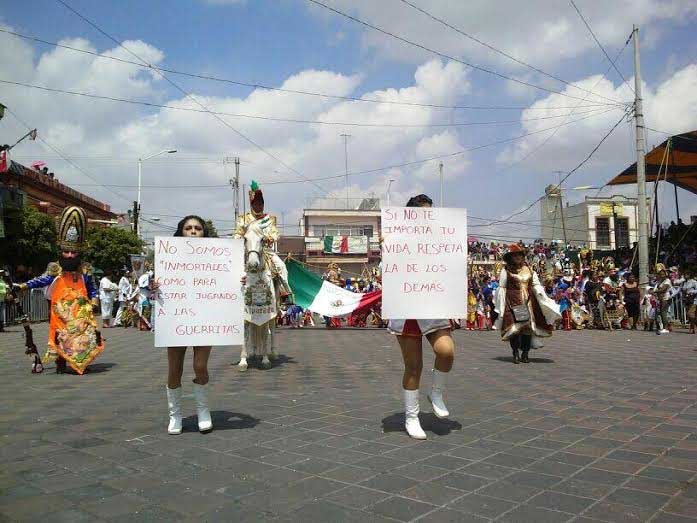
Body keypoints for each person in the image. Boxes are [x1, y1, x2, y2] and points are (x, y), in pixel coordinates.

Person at [386, 194, 455, 440]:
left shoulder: (443, 238)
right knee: (413, 366)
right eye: (422, 213)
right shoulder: (395, 239)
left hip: (432, 302)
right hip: (406, 307)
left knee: (446, 351)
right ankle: (412, 417)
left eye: (430, 213)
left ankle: (436, 393)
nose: (428, 217)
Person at [15, 206, 104, 374]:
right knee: (60, 336)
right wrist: (23, 286)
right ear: (61, 251)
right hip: (60, 313)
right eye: (66, 251)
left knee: (83, 338)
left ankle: (81, 362)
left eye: (73, 252)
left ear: (79, 252)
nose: (70, 255)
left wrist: (94, 303)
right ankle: (61, 362)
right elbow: (41, 280)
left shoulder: (86, 269)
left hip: (81, 313)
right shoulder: (55, 268)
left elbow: (93, 289)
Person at [164, 215, 215, 435]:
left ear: (204, 233)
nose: (193, 231)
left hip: (205, 320)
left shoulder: (217, 260)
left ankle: (203, 412)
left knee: (200, 366)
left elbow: (225, 287)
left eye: (198, 228)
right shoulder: (168, 259)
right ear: (181, 232)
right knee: (175, 369)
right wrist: (156, 285)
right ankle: (175, 416)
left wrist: (236, 282)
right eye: (188, 228)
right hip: (177, 320)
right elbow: (158, 289)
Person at [494, 244, 560, 364]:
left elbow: (535, 285)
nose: (518, 257)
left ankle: (525, 353)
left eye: (520, 255)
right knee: (515, 330)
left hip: (529, 303)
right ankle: (515, 353)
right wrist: (501, 306)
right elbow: (502, 288)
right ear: (510, 257)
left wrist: (542, 297)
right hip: (513, 303)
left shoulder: (529, 270)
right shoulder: (506, 271)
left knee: (527, 330)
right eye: (515, 255)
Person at [655, 264, 672, 335]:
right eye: (660, 274)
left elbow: (663, 289)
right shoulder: (659, 281)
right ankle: (666, 326)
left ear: (665, 274)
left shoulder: (667, 280)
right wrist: (656, 290)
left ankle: (666, 328)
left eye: (663, 274)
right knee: (661, 313)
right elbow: (655, 289)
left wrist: (656, 291)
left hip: (666, 298)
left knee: (663, 313)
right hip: (660, 299)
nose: (662, 275)